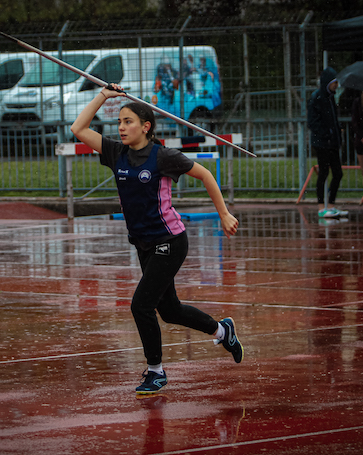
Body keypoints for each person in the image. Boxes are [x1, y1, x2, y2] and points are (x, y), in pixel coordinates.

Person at [70, 84, 243, 395]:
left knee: (141, 306)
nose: (121, 128)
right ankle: (222, 330)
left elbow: (205, 175)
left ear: (146, 126)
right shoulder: (116, 153)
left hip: (170, 240)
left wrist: (224, 213)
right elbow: (78, 129)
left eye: (128, 122)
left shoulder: (163, 156)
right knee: (170, 310)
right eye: (119, 122)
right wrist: (103, 96)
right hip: (143, 243)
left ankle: (156, 372)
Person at [307, 67, 348, 219]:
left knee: (337, 173)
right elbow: (312, 122)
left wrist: (336, 134)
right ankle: (321, 206)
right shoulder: (317, 98)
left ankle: (330, 204)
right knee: (323, 173)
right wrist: (326, 133)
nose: (337, 86)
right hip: (322, 143)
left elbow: (333, 120)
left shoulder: (331, 98)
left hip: (332, 142)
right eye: (334, 83)